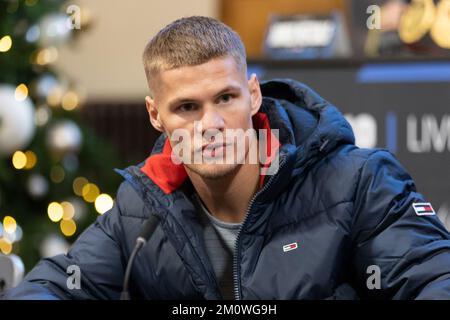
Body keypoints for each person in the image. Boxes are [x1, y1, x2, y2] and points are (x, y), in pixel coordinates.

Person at [3, 16, 450, 300]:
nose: (210, 124)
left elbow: (435, 278)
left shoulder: (358, 182)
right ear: (156, 115)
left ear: (253, 94)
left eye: (225, 98)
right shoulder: (142, 206)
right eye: (187, 107)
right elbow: (58, 285)